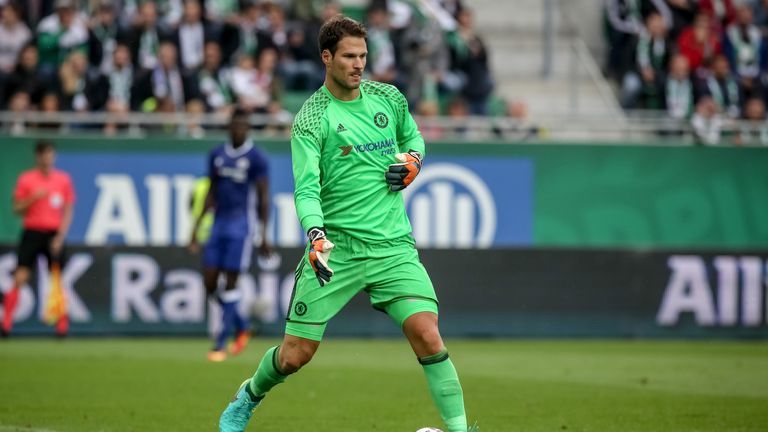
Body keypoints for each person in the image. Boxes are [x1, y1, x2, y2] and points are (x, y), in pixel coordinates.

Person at [218, 15, 475, 432]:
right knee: (294, 355)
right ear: (327, 58)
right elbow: (306, 189)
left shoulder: (388, 99)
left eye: (363, 56)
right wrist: (315, 234)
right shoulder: (311, 118)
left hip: (393, 246)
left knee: (428, 334)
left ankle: (461, 430)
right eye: (349, 57)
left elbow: (414, 139)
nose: (359, 64)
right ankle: (249, 395)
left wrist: (414, 161)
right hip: (337, 250)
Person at [189, 108, 272, 362]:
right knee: (210, 282)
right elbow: (211, 192)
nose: (238, 129)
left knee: (231, 284)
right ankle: (242, 324)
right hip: (218, 226)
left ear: (248, 128)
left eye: (243, 125)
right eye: (235, 125)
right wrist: (195, 228)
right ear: (229, 127)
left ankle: (219, 343)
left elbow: (262, 198)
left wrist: (264, 234)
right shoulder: (217, 155)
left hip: (241, 228)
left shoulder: (257, 158)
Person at [2, 140, 75, 337]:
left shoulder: (63, 180)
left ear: (54, 156)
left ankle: (61, 326)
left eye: (50, 154)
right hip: (32, 232)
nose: (47, 158)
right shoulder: (27, 180)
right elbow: (17, 209)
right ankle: (6, 323)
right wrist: (32, 198)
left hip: (53, 234)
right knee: (20, 277)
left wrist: (60, 235)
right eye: (43, 154)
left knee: (57, 279)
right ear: (37, 157)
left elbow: (68, 209)